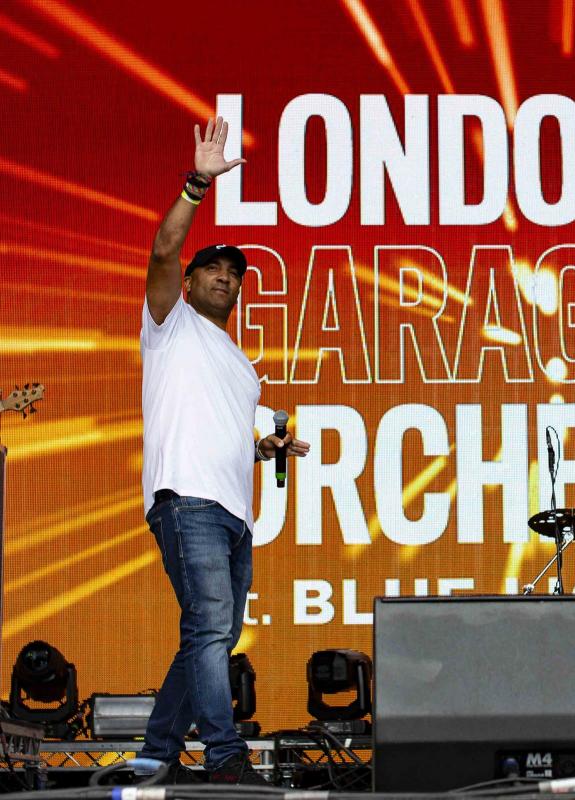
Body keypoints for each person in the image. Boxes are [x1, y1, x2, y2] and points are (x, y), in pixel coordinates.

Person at [139, 117, 310, 783]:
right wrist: (198, 182)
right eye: (212, 267)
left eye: (234, 273)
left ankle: (156, 751)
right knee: (211, 630)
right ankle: (225, 756)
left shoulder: (242, 364)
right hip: (188, 503)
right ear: (190, 281)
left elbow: (219, 431)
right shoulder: (168, 322)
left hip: (235, 514)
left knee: (208, 636)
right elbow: (161, 252)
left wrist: (264, 449)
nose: (225, 277)